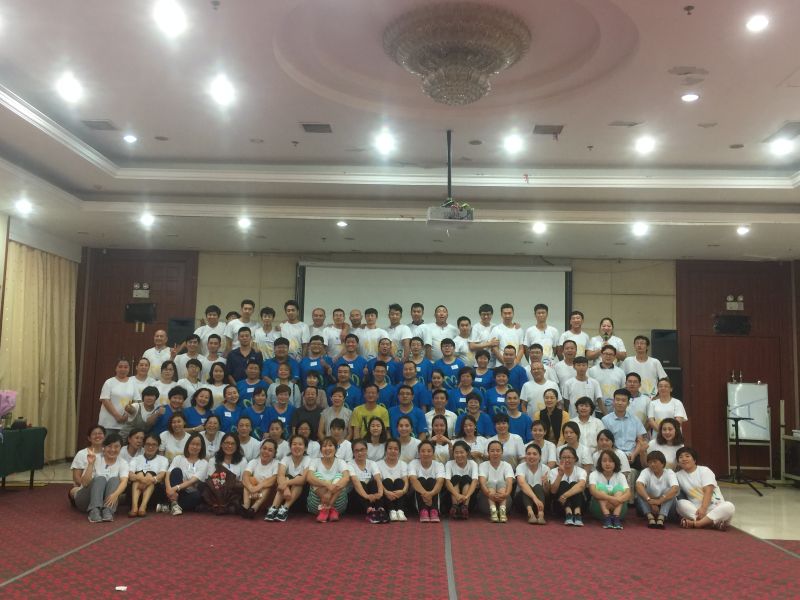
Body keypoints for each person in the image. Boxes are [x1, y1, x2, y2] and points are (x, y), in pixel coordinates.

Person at [70, 432, 129, 523]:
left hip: (106, 500)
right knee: (100, 478)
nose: (113, 449)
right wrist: (90, 464)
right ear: (103, 447)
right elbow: (84, 483)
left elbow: (124, 482)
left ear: (121, 448)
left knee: (115, 480)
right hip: (85, 499)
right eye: (109, 446)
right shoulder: (95, 458)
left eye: (116, 446)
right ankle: (94, 510)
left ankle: (107, 510)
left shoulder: (123, 463)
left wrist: (115, 494)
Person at [675, 447, 735, 530]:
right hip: (696, 509)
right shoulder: (677, 475)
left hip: (715, 507)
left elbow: (708, 491)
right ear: (678, 462)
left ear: (694, 460)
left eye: (687, 456)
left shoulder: (704, 470)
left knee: (729, 506)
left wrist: (703, 508)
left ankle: (697, 523)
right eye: (681, 457)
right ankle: (713, 523)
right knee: (680, 503)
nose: (684, 459)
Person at [265, 434, 311, 522]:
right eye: (294, 444)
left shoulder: (308, 460)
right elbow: (280, 476)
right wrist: (286, 488)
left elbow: (302, 480)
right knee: (285, 477)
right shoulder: (286, 459)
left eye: (300, 444)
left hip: (302, 496)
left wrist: (286, 483)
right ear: (290, 447)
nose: (297, 446)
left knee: (297, 479)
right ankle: (273, 508)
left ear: (305, 448)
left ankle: (284, 509)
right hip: (285, 494)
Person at [163, 432, 209, 516]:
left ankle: (170, 505)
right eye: (192, 444)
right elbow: (168, 474)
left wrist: (175, 488)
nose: (194, 447)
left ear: (202, 447)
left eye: (198, 445)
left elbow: (192, 481)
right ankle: (174, 503)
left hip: (189, 493)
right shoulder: (178, 458)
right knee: (176, 471)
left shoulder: (204, 463)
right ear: (188, 444)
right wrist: (169, 489)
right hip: (175, 491)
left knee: (197, 496)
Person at [306, 436, 351, 522]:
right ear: (321, 450)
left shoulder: (341, 462)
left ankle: (327, 507)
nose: (327, 448)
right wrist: (327, 484)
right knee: (316, 475)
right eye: (324, 446)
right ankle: (328, 508)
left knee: (340, 477)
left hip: (338, 505)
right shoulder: (315, 461)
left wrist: (329, 493)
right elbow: (309, 478)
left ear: (336, 448)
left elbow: (346, 478)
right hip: (317, 505)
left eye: (330, 445)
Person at [602, 389, 649, 468]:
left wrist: (634, 454)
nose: (620, 403)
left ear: (628, 403)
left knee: (646, 465)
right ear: (613, 401)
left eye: (623, 400)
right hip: (613, 455)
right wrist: (620, 456)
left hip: (633, 455)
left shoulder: (635, 419)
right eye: (617, 400)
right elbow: (605, 442)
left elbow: (640, 441)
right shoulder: (605, 420)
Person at [203, 433, 247, 515]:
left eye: (232, 444)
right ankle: (222, 505)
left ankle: (221, 506)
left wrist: (229, 483)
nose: (229, 446)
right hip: (217, 491)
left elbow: (243, 481)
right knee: (203, 486)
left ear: (237, 446)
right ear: (221, 445)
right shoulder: (213, 460)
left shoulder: (242, 461)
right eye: (226, 443)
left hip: (233, 492)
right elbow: (210, 480)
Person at [127, 433, 168, 517]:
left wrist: (148, 480)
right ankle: (134, 507)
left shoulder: (163, 459)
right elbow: (130, 475)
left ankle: (143, 507)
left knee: (150, 474)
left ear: (158, 446)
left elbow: (161, 476)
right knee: (139, 474)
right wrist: (141, 479)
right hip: (135, 492)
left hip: (154, 493)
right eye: (148, 444)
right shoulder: (136, 459)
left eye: (154, 445)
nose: (150, 447)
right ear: (143, 445)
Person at [635, 450, 679, 529]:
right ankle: (650, 518)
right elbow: (638, 485)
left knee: (671, 494)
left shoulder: (669, 472)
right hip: (649, 505)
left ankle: (661, 518)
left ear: (662, 463)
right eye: (650, 462)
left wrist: (660, 501)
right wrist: (650, 501)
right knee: (640, 492)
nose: (652, 464)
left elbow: (675, 489)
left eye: (655, 462)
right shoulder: (646, 471)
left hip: (667, 508)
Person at [589, 449, 631, 529]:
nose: (607, 463)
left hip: (619, 509)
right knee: (601, 488)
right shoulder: (594, 474)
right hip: (599, 509)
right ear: (600, 462)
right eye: (604, 461)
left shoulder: (620, 475)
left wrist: (618, 500)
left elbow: (628, 493)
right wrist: (611, 499)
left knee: (619, 489)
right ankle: (607, 517)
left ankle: (616, 517)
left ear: (615, 463)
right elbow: (593, 491)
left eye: (611, 461)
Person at [349, 438, 387, 523]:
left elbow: (378, 479)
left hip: (371, 498)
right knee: (361, 483)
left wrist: (380, 494)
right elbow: (356, 483)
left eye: (362, 450)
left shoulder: (372, 463)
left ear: (366, 450)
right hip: (357, 498)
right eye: (356, 451)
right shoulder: (349, 464)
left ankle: (380, 509)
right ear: (353, 453)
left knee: (374, 483)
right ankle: (370, 511)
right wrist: (367, 496)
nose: (360, 453)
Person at [548, 446, 587, 526]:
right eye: (564, 457)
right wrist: (560, 475)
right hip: (560, 505)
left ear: (575, 459)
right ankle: (568, 513)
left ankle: (577, 514)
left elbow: (581, 486)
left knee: (574, 484)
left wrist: (565, 495)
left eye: (569, 457)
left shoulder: (581, 471)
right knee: (563, 483)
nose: (566, 460)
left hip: (579, 505)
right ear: (560, 459)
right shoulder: (553, 471)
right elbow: (553, 491)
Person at [408, 440, 445, 522]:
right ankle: (423, 510)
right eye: (423, 451)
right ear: (419, 453)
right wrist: (427, 495)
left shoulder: (439, 465)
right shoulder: (413, 463)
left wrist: (430, 494)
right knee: (421, 480)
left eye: (429, 451)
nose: (426, 453)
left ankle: (434, 510)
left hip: (433, 495)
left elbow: (440, 482)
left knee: (431, 480)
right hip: (418, 496)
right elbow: (413, 480)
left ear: (433, 453)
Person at [478, 440, 514, 523]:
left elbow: (509, 483)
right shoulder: (483, 465)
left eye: (498, 451)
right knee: (491, 482)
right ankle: (493, 510)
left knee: (501, 482)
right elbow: (482, 483)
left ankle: (502, 511)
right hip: (486, 499)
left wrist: (505, 494)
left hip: (503, 498)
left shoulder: (507, 465)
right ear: (488, 452)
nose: (495, 453)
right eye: (492, 451)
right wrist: (489, 494)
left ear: (502, 452)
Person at [241, 438, 279, 518]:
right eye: (264, 448)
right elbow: (245, 476)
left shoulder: (277, 463)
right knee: (249, 480)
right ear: (260, 449)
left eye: (270, 450)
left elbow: (273, 480)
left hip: (267, 497)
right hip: (253, 495)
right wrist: (251, 488)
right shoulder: (253, 462)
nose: (266, 452)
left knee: (267, 485)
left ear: (274, 453)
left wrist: (257, 487)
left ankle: (254, 508)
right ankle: (246, 507)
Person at [98, 358, 136, 435]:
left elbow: (136, 401)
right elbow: (105, 400)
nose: (123, 369)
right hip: (108, 423)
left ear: (129, 369)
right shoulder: (109, 382)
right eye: (120, 366)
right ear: (116, 368)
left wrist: (126, 415)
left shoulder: (133, 382)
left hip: (126, 424)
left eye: (126, 367)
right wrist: (117, 416)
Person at [515, 442, 548, 524]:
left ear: (540, 456)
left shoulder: (545, 468)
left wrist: (546, 484)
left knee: (538, 486)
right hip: (522, 503)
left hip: (541, 503)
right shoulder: (520, 467)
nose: (531, 456)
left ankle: (541, 514)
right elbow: (522, 484)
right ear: (525, 456)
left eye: (534, 454)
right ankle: (530, 514)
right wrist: (535, 499)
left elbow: (547, 492)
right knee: (527, 487)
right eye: (528, 454)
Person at [378, 438, 410, 522]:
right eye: (390, 448)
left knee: (399, 481)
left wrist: (403, 491)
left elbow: (406, 482)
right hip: (386, 497)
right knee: (387, 481)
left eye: (396, 449)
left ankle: (400, 511)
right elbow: (378, 482)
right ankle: (391, 511)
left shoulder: (403, 464)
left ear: (399, 451)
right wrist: (386, 492)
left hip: (400, 497)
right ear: (385, 450)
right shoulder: (378, 464)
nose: (393, 451)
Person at [445, 440, 479, 519]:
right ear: (453, 453)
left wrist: (466, 497)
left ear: (467, 453)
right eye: (456, 452)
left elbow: (474, 481)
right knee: (455, 478)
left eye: (461, 452)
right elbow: (447, 482)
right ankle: (455, 507)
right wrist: (457, 495)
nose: (459, 455)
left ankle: (465, 507)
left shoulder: (473, 464)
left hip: (469, 499)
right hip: (452, 498)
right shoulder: (449, 464)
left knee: (466, 478)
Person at [588, 345, 626, 414]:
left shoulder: (620, 372)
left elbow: (623, 390)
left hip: (615, 411)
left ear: (615, 357)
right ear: (601, 355)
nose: (608, 356)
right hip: (596, 410)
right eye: (606, 354)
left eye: (611, 354)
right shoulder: (592, 371)